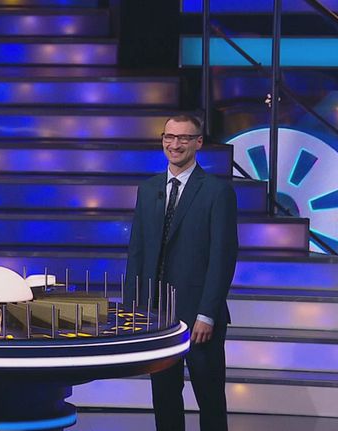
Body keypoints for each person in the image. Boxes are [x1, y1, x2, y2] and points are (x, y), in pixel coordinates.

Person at [125, 115, 238, 431]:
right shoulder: (148, 189)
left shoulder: (217, 192)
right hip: (157, 316)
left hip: (199, 315)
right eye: (169, 137)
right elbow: (137, 253)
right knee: (164, 398)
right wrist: (135, 311)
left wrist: (207, 314)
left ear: (198, 142)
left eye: (184, 138)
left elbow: (223, 257)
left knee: (209, 398)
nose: (175, 144)